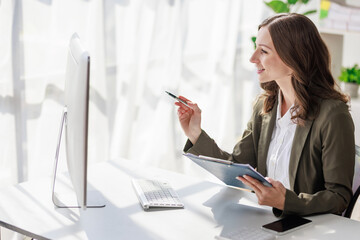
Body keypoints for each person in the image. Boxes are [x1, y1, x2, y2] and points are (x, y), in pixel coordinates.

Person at [175, 13, 355, 217]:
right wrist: (196, 134)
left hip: (306, 226)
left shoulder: (332, 115)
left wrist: (287, 201)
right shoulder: (265, 106)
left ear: (293, 57)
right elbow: (239, 168)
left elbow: (339, 197)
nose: (252, 59)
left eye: (263, 51)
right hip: (265, 219)